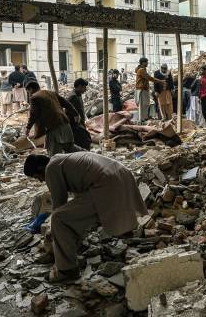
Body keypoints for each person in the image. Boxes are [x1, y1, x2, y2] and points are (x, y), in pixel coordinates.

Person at [23, 152, 148, 282]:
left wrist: (51, 229)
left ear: (40, 168)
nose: (41, 180)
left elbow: (59, 203)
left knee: (59, 219)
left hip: (107, 182)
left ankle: (67, 269)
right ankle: (67, 250)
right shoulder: (62, 160)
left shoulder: (51, 168)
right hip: (123, 174)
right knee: (75, 214)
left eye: (37, 177)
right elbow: (80, 196)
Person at [25, 81, 81, 156]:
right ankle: (87, 155)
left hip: (54, 128)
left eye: (28, 92)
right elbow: (66, 103)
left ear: (31, 89)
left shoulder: (34, 97)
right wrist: (76, 114)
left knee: (54, 156)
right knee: (70, 148)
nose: (29, 94)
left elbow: (33, 114)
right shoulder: (51, 93)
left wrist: (28, 128)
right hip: (65, 124)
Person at [135, 58, 165, 124]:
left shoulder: (142, 69)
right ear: (143, 63)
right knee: (143, 106)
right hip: (142, 90)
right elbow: (149, 78)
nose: (147, 63)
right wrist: (161, 81)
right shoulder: (141, 70)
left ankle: (143, 119)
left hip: (143, 89)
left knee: (145, 105)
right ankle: (142, 120)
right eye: (146, 62)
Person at [66, 78, 91, 150]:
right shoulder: (73, 97)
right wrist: (79, 124)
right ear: (79, 86)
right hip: (75, 126)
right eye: (84, 87)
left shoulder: (78, 95)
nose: (85, 89)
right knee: (84, 142)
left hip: (79, 124)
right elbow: (71, 113)